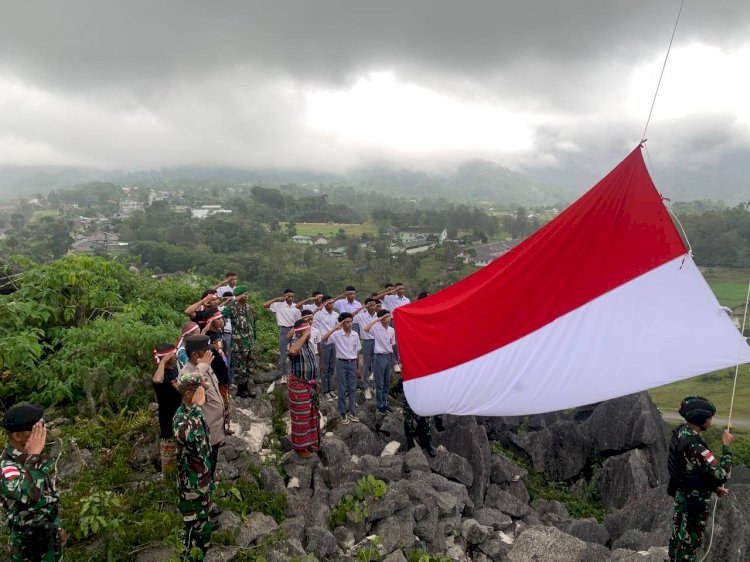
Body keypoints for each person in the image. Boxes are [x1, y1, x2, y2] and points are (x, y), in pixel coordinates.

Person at [667, 396, 733, 562]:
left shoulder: (682, 432)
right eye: (709, 417)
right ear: (700, 419)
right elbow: (722, 475)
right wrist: (726, 447)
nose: (711, 420)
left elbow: (690, 468)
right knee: (690, 544)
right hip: (694, 502)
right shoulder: (695, 446)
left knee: (678, 535)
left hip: (682, 495)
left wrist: (711, 487)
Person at [1, 403, 65, 562]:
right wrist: (34, 455)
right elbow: (28, 496)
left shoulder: (29, 459)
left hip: (49, 541)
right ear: (17, 436)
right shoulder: (7, 467)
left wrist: (57, 527)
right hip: (28, 550)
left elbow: (47, 499)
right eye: (37, 428)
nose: (43, 432)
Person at [173, 373, 214, 561]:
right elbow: (183, 435)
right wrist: (197, 406)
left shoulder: (194, 412)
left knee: (203, 518)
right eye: (200, 390)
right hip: (191, 484)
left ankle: (202, 549)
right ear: (190, 393)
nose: (203, 392)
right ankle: (193, 555)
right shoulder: (182, 416)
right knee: (192, 523)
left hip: (203, 479)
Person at [179, 335, 226, 479]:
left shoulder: (204, 367)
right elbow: (185, 381)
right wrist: (202, 367)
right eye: (205, 351)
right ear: (194, 354)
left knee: (211, 466)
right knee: (202, 471)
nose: (209, 354)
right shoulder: (188, 373)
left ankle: (209, 490)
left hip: (215, 429)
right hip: (203, 434)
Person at [287, 318, 322, 458]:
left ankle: (311, 443)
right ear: (299, 333)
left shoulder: (309, 345)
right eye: (306, 331)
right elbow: (293, 351)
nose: (309, 333)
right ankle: (300, 447)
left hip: (311, 384)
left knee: (312, 415)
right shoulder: (293, 344)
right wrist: (303, 336)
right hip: (299, 385)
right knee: (301, 416)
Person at [322, 312, 360, 424]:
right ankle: (343, 412)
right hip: (341, 364)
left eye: (351, 321)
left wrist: (358, 367)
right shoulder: (337, 334)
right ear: (342, 323)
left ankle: (352, 411)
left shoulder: (355, 334)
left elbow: (357, 351)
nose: (350, 324)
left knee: (352, 388)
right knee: (342, 388)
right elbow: (323, 338)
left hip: (352, 363)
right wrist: (335, 328)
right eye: (347, 322)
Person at [202, 308, 233, 434]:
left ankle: (225, 427)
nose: (221, 321)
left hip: (223, 372)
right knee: (217, 404)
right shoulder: (207, 337)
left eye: (221, 318)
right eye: (218, 319)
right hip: (215, 376)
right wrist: (205, 328)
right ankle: (216, 430)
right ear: (211, 321)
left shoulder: (219, 333)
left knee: (225, 401)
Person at [223, 285, 257, 398]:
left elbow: (253, 325)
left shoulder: (249, 308)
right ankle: (241, 389)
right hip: (239, 344)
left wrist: (254, 339)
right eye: (244, 294)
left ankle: (248, 388)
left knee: (249, 366)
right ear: (238, 295)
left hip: (250, 342)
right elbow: (223, 314)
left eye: (247, 294)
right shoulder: (232, 307)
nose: (246, 296)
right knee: (239, 367)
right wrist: (233, 301)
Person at [152, 342, 182, 474]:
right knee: (169, 456)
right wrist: (162, 362)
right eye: (173, 355)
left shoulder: (174, 370)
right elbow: (157, 380)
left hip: (179, 417)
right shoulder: (160, 375)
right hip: (167, 420)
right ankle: (169, 481)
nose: (176, 357)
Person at [364, 310, 396, 415]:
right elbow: (365, 328)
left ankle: (385, 403)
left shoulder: (391, 330)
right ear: (381, 318)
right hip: (379, 357)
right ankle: (380, 405)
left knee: (387, 382)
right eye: (386, 317)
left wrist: (392, 360)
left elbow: (391, 345)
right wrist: (377, 320)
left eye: (389, 316)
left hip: (387, 356)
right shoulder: (376, 327)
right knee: (380, 383)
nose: (389, 318)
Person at [264, 289, 301, 376]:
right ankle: (283, 374)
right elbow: (265, 305)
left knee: (295, 351)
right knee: (283, 351)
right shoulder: (278, 305)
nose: (290, 298)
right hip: (284, 329)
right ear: (284, 296)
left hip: (294, 329)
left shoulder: (296, 307)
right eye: (288, 296)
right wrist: (277, 299)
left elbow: (299, 321)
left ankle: (294, 373)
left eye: (292, 296)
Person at [312, 295, 338, 402]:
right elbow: (317, 330)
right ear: (324, 304)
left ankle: (330, 388)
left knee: (332, 367)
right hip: (324, 343)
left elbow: (338, 327)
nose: (332, 305)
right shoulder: (319, 315)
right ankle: (325, 390)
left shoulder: (336, 314)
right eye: (329, 303)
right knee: (324, 367)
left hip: (334, 343)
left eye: (332, 303)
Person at [354, 298, 378, 400]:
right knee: (366, 363)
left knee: (376, 364)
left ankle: (375, 386)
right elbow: (350, 317)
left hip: (378, 341)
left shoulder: (379, 316)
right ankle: (366, 387)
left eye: (374, 305)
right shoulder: (360, 316)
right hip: (367, 341)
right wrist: (362, 307)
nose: (373, 307)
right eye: (370, 305)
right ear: (367, 306)